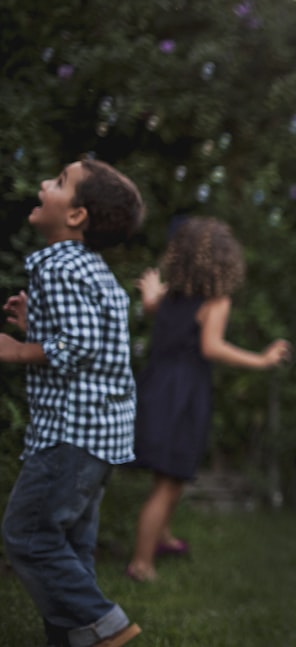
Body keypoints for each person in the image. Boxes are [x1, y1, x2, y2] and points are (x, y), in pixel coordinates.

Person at [0, 159, 145, 647]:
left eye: (59, 182)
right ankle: (75, 641)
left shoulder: (59, 265)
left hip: (70, 434)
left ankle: (107, 625)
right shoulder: (93, 270)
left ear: (77, 215)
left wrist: (20, 349)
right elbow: (94, 340)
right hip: (102, 435)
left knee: (28, 536)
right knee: (69, 548)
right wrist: (34, 327)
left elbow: (78, 345)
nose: (43, 185)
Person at [126, 216, 290, 582]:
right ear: (222, 260)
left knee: (173, 474)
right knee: (167, 482)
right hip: (184, 392)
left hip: (156, 386)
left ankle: (163, 537)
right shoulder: (215, 301)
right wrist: (261, 359)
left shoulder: (172, 296)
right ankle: (141, 563)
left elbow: (153, 308)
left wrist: (150, 292)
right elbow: (210, 346)